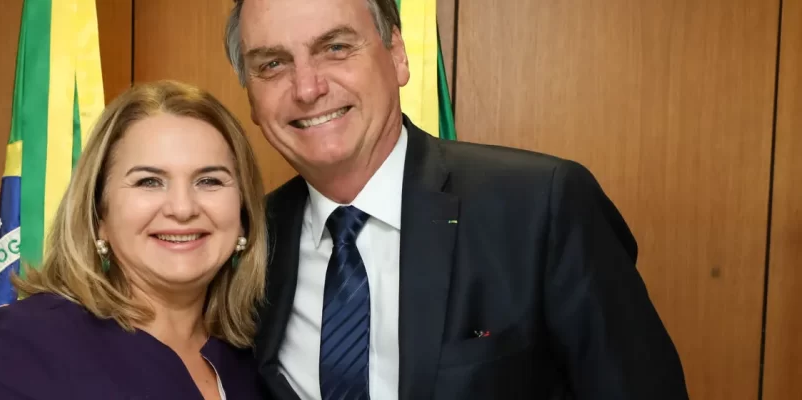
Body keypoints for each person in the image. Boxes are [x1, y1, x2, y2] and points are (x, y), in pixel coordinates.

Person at [224, 0, 690, 399]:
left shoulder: (542, 207)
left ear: (397, 54)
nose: (308, 88)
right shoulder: (248, 242)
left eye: (336, 48)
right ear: (251, 98)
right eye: (272, 65)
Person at [0, 80, 270, 400]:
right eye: (149, 182)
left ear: (243, 213)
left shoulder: (259, 359)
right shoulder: (24, 348)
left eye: (209, 181)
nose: (182, 209)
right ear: (99, 215)